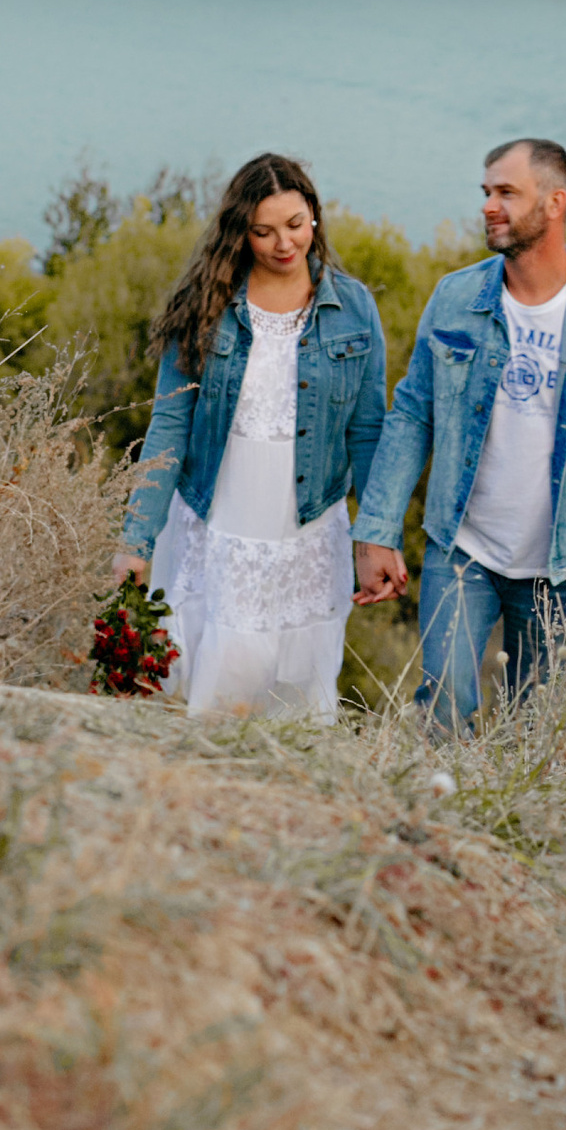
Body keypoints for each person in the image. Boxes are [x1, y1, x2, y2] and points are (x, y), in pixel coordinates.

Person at [351, 135, 566, 726]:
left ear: (555, 203)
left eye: (506, 193)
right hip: (464, 548)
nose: (489, 206)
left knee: (537, 731)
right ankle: (432, 813)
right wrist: (376, 531)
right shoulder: (456, 297)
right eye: (486, 192)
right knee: (443, 705)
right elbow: (412, 414)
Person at [120, 153, 388, 717]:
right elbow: (169, 424)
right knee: (210, 684)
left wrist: (377, 537)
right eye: (263, 231)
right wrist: (135, 541)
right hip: (218, 529)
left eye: (295, 224)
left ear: (314, 214)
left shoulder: (354, 308)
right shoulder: (204, 305)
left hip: (308, 532)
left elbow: (367, 431)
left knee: (296, 696)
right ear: (240, 233)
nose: (283, 244)